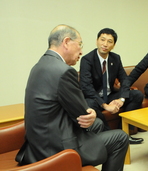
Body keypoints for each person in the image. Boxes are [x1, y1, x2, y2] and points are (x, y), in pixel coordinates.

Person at [16, 25, 129, 171]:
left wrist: (90, 115)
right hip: (55, 147)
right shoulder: (64, 71)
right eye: (80, 44)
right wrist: (91, 112)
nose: (81, 51)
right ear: (67, 42)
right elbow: (83, 114)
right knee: (120, 138)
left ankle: (89, 155)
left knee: (98, 123)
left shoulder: (40, 65)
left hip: (39, 139)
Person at [79, 28, 144, 144]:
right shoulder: (87, 60)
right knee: (88, 104)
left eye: (109, 41)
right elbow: (86, 87)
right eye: (102, 40)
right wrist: (105, 106)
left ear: (113, 45)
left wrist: (121, 99)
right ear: (96, 41)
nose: (105, 44)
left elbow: (125, 79)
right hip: (94, 97)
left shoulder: (115, 58)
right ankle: (111, 137)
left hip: (110, 95)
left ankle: (124, 133)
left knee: (137, 95)